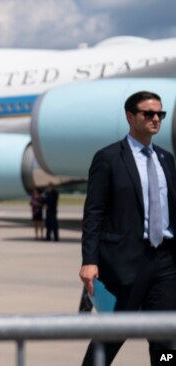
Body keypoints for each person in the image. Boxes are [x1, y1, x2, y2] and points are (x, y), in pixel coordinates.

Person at [79, 91, 176, 366]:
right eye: (148, 113)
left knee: (167, 340)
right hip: (124, 261)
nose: (156, 119)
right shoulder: (109, 158)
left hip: (165, 261)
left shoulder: (166, 159)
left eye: (160, 114)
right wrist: (89, 260)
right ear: (130, 117)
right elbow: (94, 213)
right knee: (111, 335)